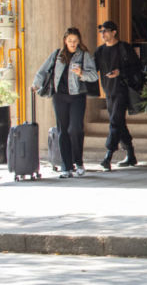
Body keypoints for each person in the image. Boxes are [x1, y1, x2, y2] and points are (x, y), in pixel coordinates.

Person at [33, 27, 99, 178]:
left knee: (75, 129)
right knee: (63, 130)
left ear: (79, 41)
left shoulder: (84, 56)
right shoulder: (57, 54)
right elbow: (43, 70)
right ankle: (66, 166)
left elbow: (94, 76)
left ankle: (79, 162)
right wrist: (36, 84)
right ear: (65, 40)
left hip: (77, 96)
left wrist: (81, 73)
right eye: (70, 40)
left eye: (75, 41)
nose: (73, 43)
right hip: (59, 97)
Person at [93, 21, 142, 170]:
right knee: (119, 122)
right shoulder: (99, 51)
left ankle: (108, 156)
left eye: (106, 31)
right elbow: (92, 69)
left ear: (114, 32)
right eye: (101, 31)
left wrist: (120, 72)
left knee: (115, 122)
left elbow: (136, 67)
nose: (103, 34)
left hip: (123, 90)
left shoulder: (124, 48)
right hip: (108, 91)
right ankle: (131, 155)